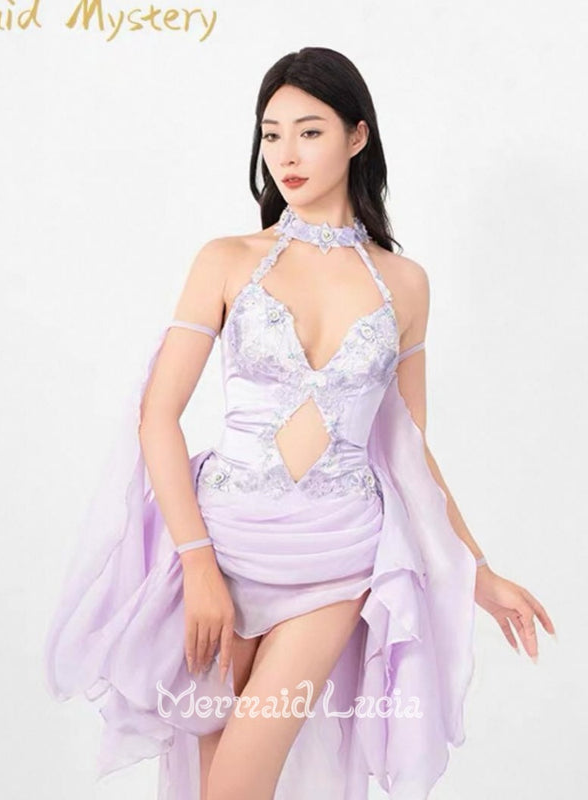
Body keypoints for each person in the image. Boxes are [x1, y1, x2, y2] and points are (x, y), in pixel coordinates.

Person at [43, 47, 556, 800]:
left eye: (309, 132)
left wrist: (478, 573)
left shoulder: (404, 283)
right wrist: (197, 565)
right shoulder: (226, 260)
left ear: (357, 136)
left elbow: (409, 454)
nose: (285, 154)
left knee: (236, 786)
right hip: (221, 547)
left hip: (336, 559)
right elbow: (157, 414)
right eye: (271, 134)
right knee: (211, 783)